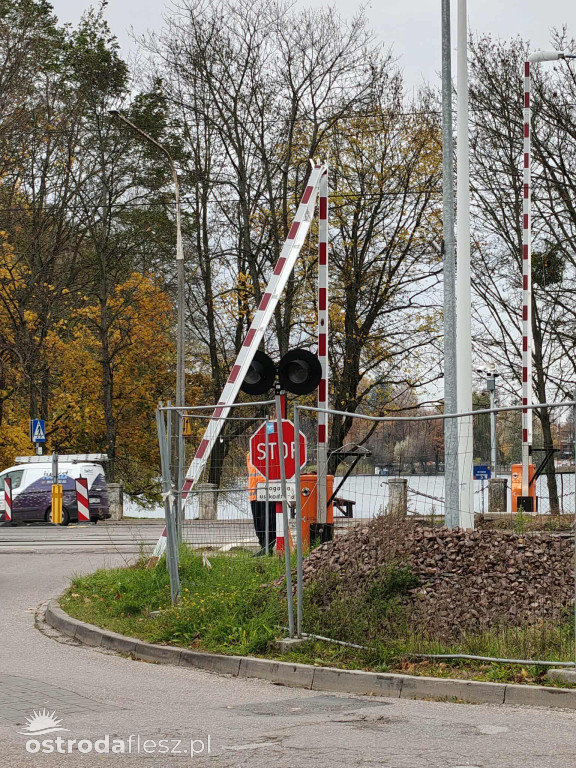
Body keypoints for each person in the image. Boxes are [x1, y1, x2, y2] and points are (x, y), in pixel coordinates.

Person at [247, 453, 275, 552]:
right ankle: (263, 546)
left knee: (269, 522)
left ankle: (268, 546)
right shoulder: (250, 455)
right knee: (258, 524)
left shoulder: (271, 451)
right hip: (254, 495)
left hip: (269, 494)